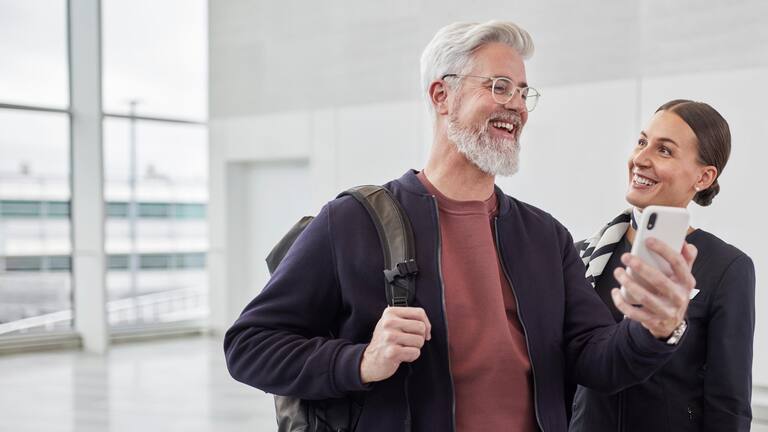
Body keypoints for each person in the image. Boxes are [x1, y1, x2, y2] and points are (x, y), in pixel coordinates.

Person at [224, 21, 697, 432]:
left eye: (522, 92)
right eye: (498, 87)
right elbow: (249, 346)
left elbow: (595, 358)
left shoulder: (545, 237)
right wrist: (361, 361)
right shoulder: (350, 222)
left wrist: (654, 330)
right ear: (441, 95)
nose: (517, 105)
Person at [569, 100, 755, 432]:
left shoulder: (727, 268)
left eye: (664, 151)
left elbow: (728, 404)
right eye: (642, 142)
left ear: (704, 176)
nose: (640, 159)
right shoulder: (583, 256)